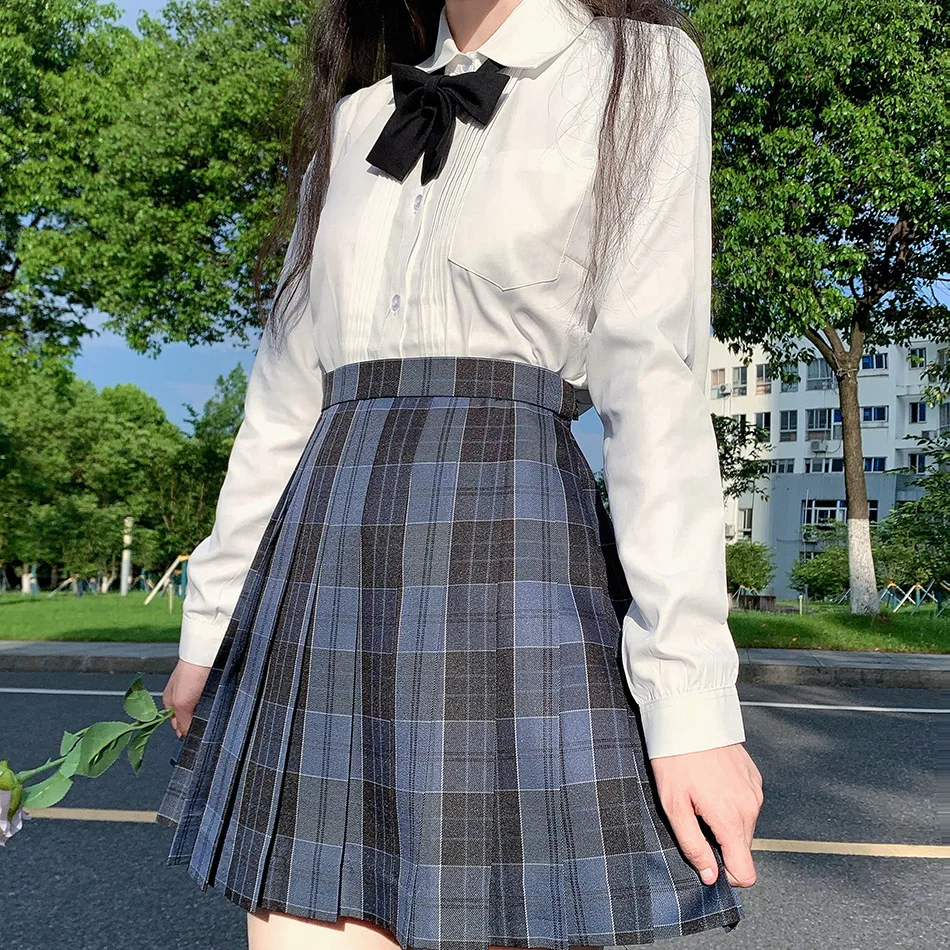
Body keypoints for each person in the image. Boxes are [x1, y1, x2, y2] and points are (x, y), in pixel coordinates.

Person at [157, 2, 764, 949]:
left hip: (510, 556)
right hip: (324, 565)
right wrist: (213, 625)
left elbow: (655, 390)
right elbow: (281, 402)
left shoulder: (637, 70)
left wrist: (692, 708)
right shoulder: (356, 120)